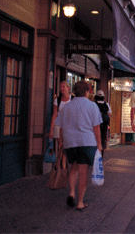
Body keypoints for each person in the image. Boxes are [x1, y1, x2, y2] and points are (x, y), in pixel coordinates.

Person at [58, 80, 103, 211]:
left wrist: (62, 141)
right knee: (83, 172)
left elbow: (61, 127)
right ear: (86, 92)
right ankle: (80, 202)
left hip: (70, 142)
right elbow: (96, 128)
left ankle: (72, 192)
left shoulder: (67, 106)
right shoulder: (92, 106)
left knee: (74, 167)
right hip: (86, 142)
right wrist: (99, 144)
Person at [48, 81, 72, 151]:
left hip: (69, 125)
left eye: (63, 87)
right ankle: (62, 161)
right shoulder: (57, 100)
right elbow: (54, 115)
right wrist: (51, 130)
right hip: (58, 124)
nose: (61, 88)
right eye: (60, 87)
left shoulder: (73, 99)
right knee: (61, 145)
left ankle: (61, 161)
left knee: (67, 145)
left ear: (68, 88)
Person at [94, 90, 112, 157]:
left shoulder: (94, 104)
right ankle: (101, 155)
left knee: (95, 139)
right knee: (102, 140)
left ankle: (95, 154)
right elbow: (109, 114)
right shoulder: (106, 104)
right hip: (104, 125)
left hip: (95, 124)